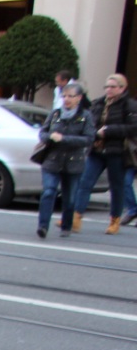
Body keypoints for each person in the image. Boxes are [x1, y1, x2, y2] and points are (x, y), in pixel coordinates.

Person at [72, 73, 137, 234]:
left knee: (117, 186)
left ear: (122, 88)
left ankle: (114, 220)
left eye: (113, 87)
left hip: (117, 151)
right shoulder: (99, 103)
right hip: (96, 150)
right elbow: (89, 123)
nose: (109, 90)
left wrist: (108, 131)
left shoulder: (129, 105)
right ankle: (76, 217)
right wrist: (92, 133)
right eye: (107, 86)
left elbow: (133, 128)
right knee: (85, 183)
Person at [36, 83, 94, 239]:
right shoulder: (55, 114)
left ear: (79, 98)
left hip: (73, 162)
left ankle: (66, 225)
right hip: (52, 161)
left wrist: (64, 139)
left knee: (70, 198)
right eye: (64, 96)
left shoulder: (85, 116)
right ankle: (43, 226)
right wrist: (49, 137)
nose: (67, 99)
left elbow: (89, 139)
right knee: (48, 191)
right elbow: (43, 133)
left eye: (71, 96)